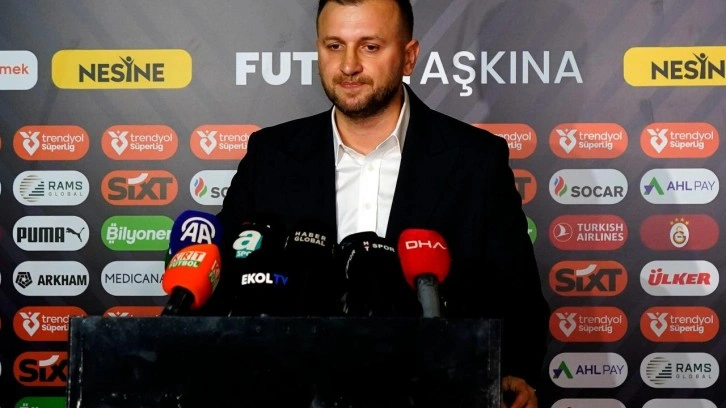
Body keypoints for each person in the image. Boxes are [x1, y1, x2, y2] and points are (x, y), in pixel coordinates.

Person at [217, 0, 550, 407]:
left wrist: (511, 372)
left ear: (409, 57)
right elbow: (223, 281)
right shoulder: (270, 155)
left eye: (370, 46)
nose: (349, 65)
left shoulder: (476, 160)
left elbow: (519, 300)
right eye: (334, 46)